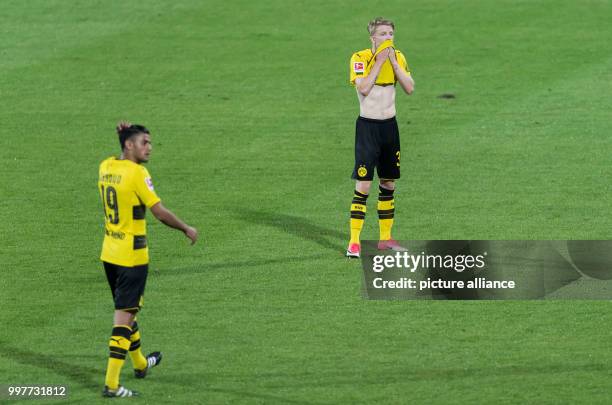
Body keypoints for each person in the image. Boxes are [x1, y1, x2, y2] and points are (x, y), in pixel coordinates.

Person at [98, 122, 198, 397]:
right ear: (130, 145)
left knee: (128, 310)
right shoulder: (137, 174)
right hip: (132, 257)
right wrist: (186, 228)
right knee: (123, 318)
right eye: (144, 142)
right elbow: (159, 212)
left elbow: (117, 156)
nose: (149, 148)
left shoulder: (106, 166)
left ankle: (141, 364)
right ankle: (112, 384)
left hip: (109, 253)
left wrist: (122, 134)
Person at [346, 17, 415, 258]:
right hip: (368, 128)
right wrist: (380, 60)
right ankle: (354, 241)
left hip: (389, 128)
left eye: (390, 34)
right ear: (372, 38)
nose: (388, 38)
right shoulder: (359, 58)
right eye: (383, 34)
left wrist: (394, 64)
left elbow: (409, 88)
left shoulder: (399, 57)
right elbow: (363, 88)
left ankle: (385, 239)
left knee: (388, 183)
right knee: (364, 185)